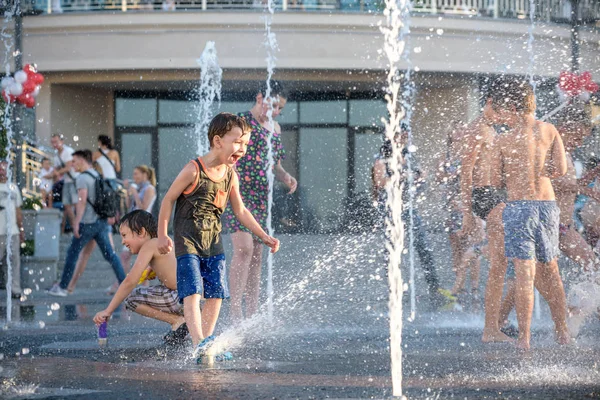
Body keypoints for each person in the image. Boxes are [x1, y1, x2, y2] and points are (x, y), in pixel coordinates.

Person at [157, 112, 280, 362]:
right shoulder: (194, 170)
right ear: (217, 141)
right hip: (188, 242)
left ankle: (207, 343)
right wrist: (162, 234)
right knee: (193, 292)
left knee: (216, 294)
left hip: (213, 243)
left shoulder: (230, 175)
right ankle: (198, 342)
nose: (242, 149)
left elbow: (241, 211)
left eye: (245, 144)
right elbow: (168, 199)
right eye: (238, 142)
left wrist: (263, 235)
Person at [489, 76, 570, 350]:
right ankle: (563, 332)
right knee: (552, 270)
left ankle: (524, 339)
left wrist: (517, 175)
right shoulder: (549, 130)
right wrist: (540, 171)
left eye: (504, 110)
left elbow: (496, 179)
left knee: (525, 274)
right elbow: (561, 169)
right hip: (547, 205)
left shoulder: (503, 140)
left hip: (518, 207)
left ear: (512, 107)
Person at [222, 81, 296, 323]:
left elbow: (274, 164)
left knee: (256, 255)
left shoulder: (275, 128)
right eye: (273, 104)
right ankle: (235, 312)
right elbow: (225, 154)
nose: (275, 111)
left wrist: (285, 176)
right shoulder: (240, 121)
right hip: (237, 193)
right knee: (243, 249)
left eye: (280, 108)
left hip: (261, 195)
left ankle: (252, 312)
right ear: (259, 97)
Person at [373, 131, 450, 310]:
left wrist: (420, 176)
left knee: (424, 249)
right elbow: (380, 182)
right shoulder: (381, 157)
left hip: (409, 209)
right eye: (402, 135)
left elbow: (421, 177)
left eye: (407, 135)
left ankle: (434, 290)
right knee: (392, 252)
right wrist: (402, 176)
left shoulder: (409, 155)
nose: (406, 138)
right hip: (390, 210)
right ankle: (393, 293)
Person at [93, 210, 188, 346]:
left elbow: (130, 281)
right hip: (191, 298)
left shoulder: (149, 246)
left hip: (179, 297)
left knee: (130, 298)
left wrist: (108, 311)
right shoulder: (162, 243)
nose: (123, 241)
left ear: (141, 232)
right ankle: (185, 322)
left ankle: (176, 321)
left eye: (125, 235)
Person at [47, 150, 126, 297]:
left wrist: (76, 223)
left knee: (72, 253)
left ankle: (63, 287)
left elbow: (82, 201)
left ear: (83, 160)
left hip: (88, 223)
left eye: (75, 161)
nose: (73, 164)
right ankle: (125, 284)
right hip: (101, 222)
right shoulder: (97, 174)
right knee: (111, 255)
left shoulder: (82, 178)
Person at [436, 123, 487, 311]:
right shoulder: (445, 157)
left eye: (462, 131)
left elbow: (479, 178)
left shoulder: (472, 153)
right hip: (451, 208)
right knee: (457, 250)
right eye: (455, 131)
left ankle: (472, 289)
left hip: (471, 207)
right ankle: (461, 291)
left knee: (474, 248)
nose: (459, 133)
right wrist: (451, 176)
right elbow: (439, 178)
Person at [67, 136, 124, 294]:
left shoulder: (96, 156)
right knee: (91, 254)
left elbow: (83, 200)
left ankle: (69, 286)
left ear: (100, 143)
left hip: (92, 220)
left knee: (85, 254)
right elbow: (117, 168)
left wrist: (77, 221)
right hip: (109, 186)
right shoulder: (113, 153)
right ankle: (70, 286)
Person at [0, 161, 24, 299]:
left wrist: (21, 230)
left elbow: (18, 210)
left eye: (4, 169)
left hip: (13, 232)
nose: (2, 172)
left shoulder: (14, 188)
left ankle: (15, 289)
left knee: (14, 261)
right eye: (0, 169)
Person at [50, 134, 79, 234]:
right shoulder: (56, 155)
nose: (55, 144)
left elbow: (68, 167)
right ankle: (73, 226)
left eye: (56, 142)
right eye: (53, 142)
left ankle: (78, 226)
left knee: (76, 204)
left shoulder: (68, 151)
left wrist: (56, 173)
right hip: (67, 181)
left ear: (62, 141)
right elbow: (56, 168)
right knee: (66, 205)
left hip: (75, 180)